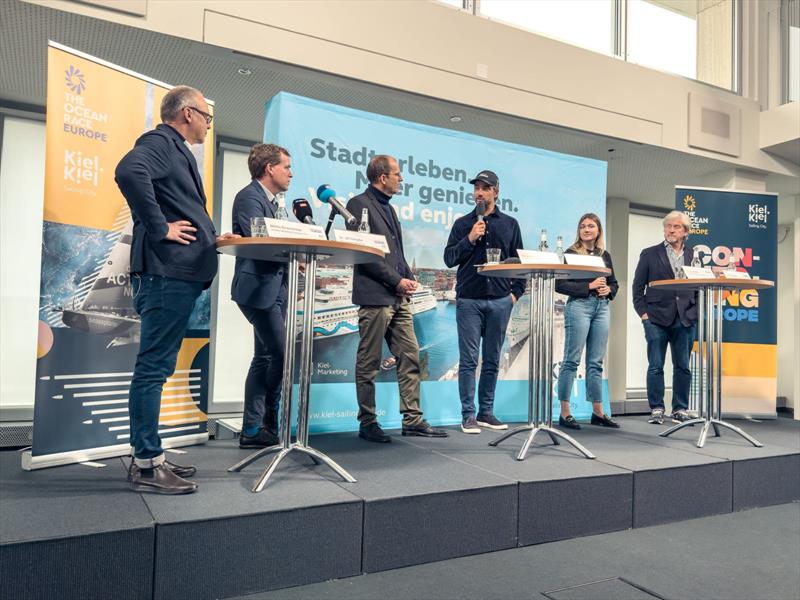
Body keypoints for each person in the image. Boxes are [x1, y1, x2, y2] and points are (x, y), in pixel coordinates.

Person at [115, 85, 237, 494]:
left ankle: (153, 456)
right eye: (206, 116)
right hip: (166, 276)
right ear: (188, 113)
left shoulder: (174, 148)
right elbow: (129, 172)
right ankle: (147, 465)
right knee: (153, 369)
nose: (207, 123)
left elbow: (176, 202)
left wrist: (209, 236)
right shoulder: (162, 142)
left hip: (175, 276)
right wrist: (159, 227)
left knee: (157, 368)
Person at [345, 155, 448, 442]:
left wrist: (407, 278)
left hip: (398, 298)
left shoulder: (390, 210)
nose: (401, 178)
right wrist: (395, 279)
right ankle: (367, 422)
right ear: (382, 177)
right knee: (369, 362)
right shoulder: (358, 205)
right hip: (375, 296)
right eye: (398, 174)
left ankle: (412, 420)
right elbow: (363, 255)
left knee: (410, 355)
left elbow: (395, 255)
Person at [443, 170, 524, 434]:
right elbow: (449, 258)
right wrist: (470, 238)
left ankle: (486, 412)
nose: (479, 192)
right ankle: (468, 415)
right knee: (468, 360)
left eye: (485, 188)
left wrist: (514, 295)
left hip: (501, 301)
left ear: (495, 192)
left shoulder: (510, 224)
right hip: (469, 300)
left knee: (492, 360)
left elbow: (519, 263)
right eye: (476, 188)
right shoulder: (462, 223)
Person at [231, 144, 292, 449]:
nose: (291, 174)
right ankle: (263, 422)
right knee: (281, 354)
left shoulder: (273, 202)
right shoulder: (249, 197)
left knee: (265, 356)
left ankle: (255, 429)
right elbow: (261, 240)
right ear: (270, 168)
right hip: (257, 290)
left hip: (276, 289)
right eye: (286, 167)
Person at [632, 210, 697, 425]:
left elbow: (698, 287)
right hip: (656, 319)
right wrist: (644, 314)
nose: (671, 230)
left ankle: (680, 408)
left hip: (685, 319)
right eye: (668, 226)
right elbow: (637, 288)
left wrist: (694, 313)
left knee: (683, 367)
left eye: (676, 226)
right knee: (656, 366)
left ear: (685, 231)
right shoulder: (649, 254)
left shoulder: (693, 256)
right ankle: (657, 408)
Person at [555, 213, 619, 430]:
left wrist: (609, 289)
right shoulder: (570, 253)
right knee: (571, 360)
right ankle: (565, 413)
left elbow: (615, 283)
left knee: (596, 363)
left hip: (602, 307)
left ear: (598, 230)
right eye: (583, 226)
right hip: (579, 307)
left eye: (591, 226)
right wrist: (588, 287)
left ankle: (598, 413)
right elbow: (559, 285)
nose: (586, 229)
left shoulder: (605, 255)